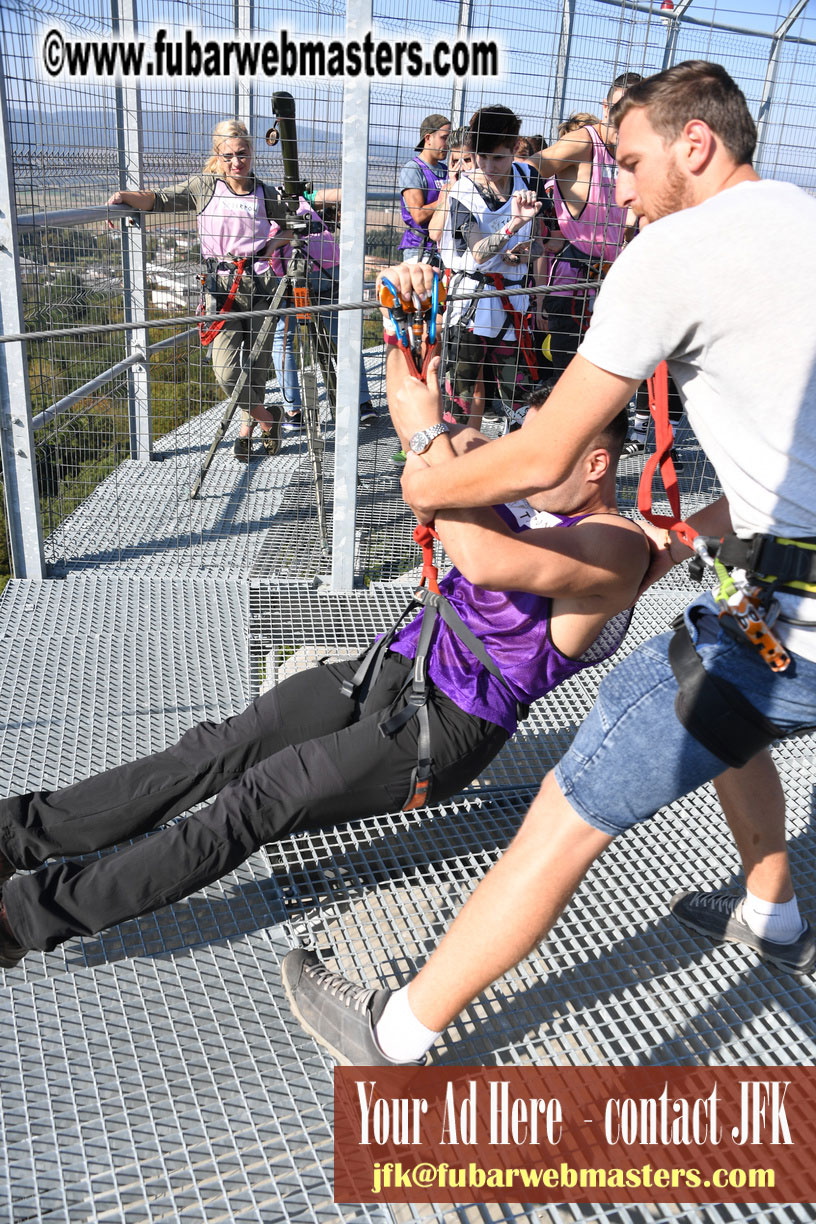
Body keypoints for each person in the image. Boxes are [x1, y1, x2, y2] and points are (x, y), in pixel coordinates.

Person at [282, 61, 816, 1069]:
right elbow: (788, 457)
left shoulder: (674, 254)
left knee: (568, 810)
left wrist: (423, 460)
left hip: (790, 607)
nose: (618, 188)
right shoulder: (804, 219)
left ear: (694, 145)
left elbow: (540, 457)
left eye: (630, 161)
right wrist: (685, 535)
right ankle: (772, 911)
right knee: (733, 724)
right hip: (774, 568)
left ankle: (397, 1031)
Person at [0, 343, 648, 970]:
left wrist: (430, 447)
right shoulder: (529, 489)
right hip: (393, 664)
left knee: (254, 801)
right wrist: (406, 328)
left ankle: (23, 920)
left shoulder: (615, 547)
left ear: (594, 463)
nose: (522, 460)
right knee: (216, 749)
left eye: (542, 451)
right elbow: (419, 436)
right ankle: (15, 834)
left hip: (448, 724)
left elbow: (484, 558)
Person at [107, 119, 297, 462]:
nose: (236, 162)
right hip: (220, 286)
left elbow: (288, 227)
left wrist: (270, 248)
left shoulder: (263, 192)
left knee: (256, 362)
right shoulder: (205, 186)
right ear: (217, 156)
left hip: (261, 285)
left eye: (242, 154)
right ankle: (268, 419)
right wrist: (124, 197)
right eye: (228, 156)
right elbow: (161, 199)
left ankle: (245, 428)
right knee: (226, 370)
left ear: (251, 152)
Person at [441, 105, 556, 431]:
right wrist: (513, 225)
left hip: (514, 303)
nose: (489, 166)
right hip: (471, 307)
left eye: (499, 158)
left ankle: (516, 467)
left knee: (520, 399)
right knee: (460, 399)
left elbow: (541, 241)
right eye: (481, 156)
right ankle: (457, 469)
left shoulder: (528, 177)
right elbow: (478, 253)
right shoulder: (463, 190)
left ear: (513, 149)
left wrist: (523, 253)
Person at [529, 74, 642, 377]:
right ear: (606, 108)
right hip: (572, 283)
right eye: (621, 108)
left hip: (615, 285)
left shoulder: (638, 155)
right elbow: (533, 166)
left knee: (609, 381)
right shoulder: (584, 142)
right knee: (565, 380)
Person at [267, 195, 378, 430]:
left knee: (283, 339)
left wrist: (271, 246)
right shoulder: (303, 198)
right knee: (343, 336)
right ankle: (362, 403)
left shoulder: (265, 200)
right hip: (328, 265)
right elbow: (340, 193)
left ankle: (293, 411)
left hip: (289, 273)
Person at [398, 115, 451, 263]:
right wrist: (446, 199)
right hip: (419, 250)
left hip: (443, 248)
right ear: (428, 138)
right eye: (444, 138)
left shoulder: (445, 170)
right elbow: (418, 215)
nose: (448, 144)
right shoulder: (413, 170)